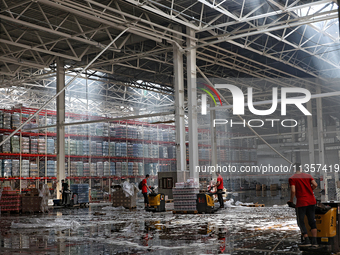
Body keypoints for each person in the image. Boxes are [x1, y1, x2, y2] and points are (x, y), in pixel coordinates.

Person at [288, 163, 318, 247]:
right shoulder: (308, 175)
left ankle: (307, 241)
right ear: (301, 168)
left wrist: (291, 200)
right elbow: (315, 184)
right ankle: (315, 242)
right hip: (312, 201)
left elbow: (293, 190)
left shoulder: (292, 178)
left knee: (301, 221)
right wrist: (309, 190)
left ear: (293, 169)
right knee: (312, 220)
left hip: (301, 202)